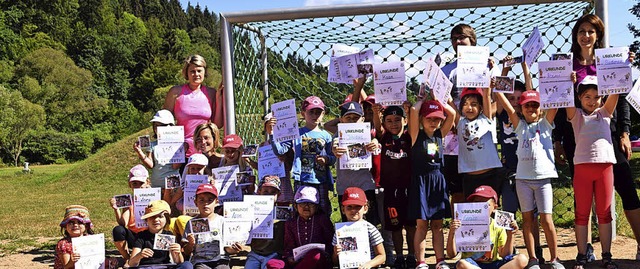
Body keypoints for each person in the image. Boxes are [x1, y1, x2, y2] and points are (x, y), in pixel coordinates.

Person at [553, 14, 640, 262]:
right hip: (577, 136)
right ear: (576, 35)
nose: (586, 35)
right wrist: (558, 138)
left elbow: (618, 97)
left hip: (607, 133)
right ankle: (586, 249)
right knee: (583, 197)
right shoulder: (568, 64)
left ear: (598, 35)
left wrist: (624, 131)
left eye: (591, 31)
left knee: (626, 189)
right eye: (582, 30)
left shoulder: (607, 60)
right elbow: (562, 103)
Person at [494, 63, 565, 269]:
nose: (531, 108)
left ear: (540, 108)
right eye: (527, 105)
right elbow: (505, 104)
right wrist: (497, 84)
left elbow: (557, 100)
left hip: (542, 179)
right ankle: (530, 257)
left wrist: (565, 80)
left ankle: (554, 258)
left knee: (546, 219)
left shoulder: (545, 124)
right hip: (520, 178)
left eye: (535, 105)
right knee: (523, 218)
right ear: (521, 109)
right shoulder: (517, 125)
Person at [566, 76, 620, 269]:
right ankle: (581, 255)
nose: (592, 100)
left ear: (602, 99)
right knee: (582, 214)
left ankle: (607, 255)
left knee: (604, 214)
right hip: (582, 168)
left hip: (605, 168)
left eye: (597, 96)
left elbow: (616, 90)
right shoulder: (576, 115)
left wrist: (622, 67)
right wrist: (569, 82)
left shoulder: (605, 113)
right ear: (579, 97)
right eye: (587, 96)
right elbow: (566, 98)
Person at [408, 96, 456, 269]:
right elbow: (413, 111)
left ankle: (439, 260)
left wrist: (440, 99)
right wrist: (421, 100)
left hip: (438, 182)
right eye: (429, 118)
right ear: (422, 119)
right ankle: (421, 262)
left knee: (437, 224)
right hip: (422, 182)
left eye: (437, 118)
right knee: (421, 224)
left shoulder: (439, 135)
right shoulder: (415, 135)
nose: (434, 121)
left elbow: (451, 114)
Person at [270, 96, 336, 215]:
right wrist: (272, 133)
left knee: (323, 210)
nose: (315, 115)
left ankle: (324, 232)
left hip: (320, 180)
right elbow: (280, 151)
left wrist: (326, 159)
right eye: (311, 112)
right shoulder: (296, 133)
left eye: (318, 112)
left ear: (323, 114)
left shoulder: (326, 136)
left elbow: (333, 158)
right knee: (301, 210)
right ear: (303, 113)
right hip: (302, 179)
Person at [372, 103, 417, 268]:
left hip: (409, 188)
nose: (393, 124)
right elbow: (377, 128)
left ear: (404, 121)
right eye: (389, 120)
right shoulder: (384, 139)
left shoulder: (409, 137)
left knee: (411, 225)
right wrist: (376, 113)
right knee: (395, 225)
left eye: (397, 120)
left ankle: (411, 255)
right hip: (391, 190)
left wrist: (409, 111)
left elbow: (413, 125)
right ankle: (399, 256)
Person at [447, 186, 528, 269]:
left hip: (495, 264)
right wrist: (452, 232)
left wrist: (511, 235)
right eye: (477, 203)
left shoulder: (498, 225)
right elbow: (451, 254)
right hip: (473, 264)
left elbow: (505, 255)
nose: (481, 208)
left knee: (522, 259)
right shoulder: (463, 224)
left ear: (495, 208)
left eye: (485, 205)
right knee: (461, 264)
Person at [164, 55, 224, 158]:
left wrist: (218, 98)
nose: (196, 74)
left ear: (204, 72)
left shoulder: (211, 93)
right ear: (186, 73)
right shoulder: (175, 92)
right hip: (180, 152)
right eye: (192, 71)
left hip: (204, 151)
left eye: (199, 71)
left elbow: (217, 125)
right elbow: (163, 122)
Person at [331, 101, 381, 225]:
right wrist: (335, 150)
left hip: (366, 186)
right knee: (348, 224)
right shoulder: (338, 135)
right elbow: (334, 145)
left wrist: (375, 143)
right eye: (348, 118)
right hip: (345, 188)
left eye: (356, 118)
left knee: (370, 223)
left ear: (362, 119)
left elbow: (377, 143)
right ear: (341, 120)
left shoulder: (368, 135)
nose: (352, 120)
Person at [454, 86, 502, 198]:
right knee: (471, 209)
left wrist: (488, 86)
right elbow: (448, 103)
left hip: (490, 175)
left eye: (474, 104)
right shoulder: (460, 122)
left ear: (481, 107)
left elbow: (486, 95)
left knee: (490, 207)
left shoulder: (486, 119)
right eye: (465, 104)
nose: (469, 107)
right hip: (469, 176)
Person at [183, 184, 242, 269]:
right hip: (200, 261)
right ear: (195, 202)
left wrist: (234, 249)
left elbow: (227, 249)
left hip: (221, 260)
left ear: (217, 202)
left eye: (210, 200)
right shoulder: (191, 223)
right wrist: (190, 243)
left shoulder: (223, 221)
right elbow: (186, 251)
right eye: (201, 200)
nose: (206, 203)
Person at [128, 200, 193, 268]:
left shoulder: (169, 235)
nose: (156, 220)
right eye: (152, 217)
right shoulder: (141, 236)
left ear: (166, 219)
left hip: (165, 266)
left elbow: (179, 262)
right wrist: (140, 255)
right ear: (146, 220)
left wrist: (178, 252)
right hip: (146, 267)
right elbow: (131, 263)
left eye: (160, 216)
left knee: (187, 265)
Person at [332, 187, 385, 269]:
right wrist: (336, 253)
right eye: (349, 207)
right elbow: (335, 261)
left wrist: (369, 264)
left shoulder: (370, 229)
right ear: (343, 209)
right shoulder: (339, 231)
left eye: (357, 207)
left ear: (365, 208)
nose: (353, 210)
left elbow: (382, 256)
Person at [283, 186, 334, 269]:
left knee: (316, 255)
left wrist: (326, 252)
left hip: (318, 261)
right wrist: (290, 257)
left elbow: (330, 242)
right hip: (298, 261)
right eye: (302, 203)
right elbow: (289, 245)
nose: (306, 207)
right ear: (296, 206)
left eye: (310, 204)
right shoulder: (291, 223)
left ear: (316, 207)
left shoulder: (322, 220)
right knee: (273, 263)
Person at [110, 165, 152, 264]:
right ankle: (128, 258)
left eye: (141, 183)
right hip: (135, 236)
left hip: (150, 236)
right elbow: (122, 223)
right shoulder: (129, 201)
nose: (138, 186)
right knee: (118, 230)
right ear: (130, 185)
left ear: (147, 182)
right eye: (134, 183)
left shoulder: (155, 197)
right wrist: (116, 209)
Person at [245, 176, 287, 269]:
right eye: (265, 192)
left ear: (279, 195)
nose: (269, 195)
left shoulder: (283, 213)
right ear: (259, 192)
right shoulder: (250, 210)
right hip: (255, 253)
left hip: (273, 254)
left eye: (273, 193)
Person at [134, 109, 182, 189]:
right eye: (155, 125)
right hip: (156, 186)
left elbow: (175, 166)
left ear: (170, 126)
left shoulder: (177, 146)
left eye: (161, 125)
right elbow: (150, 165)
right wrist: (139, 152)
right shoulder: (153, 145)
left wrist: (180, 150)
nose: (157, 128)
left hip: (173, 187)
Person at [262, 113, 296, 205]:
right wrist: (249, 161)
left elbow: (290, 166)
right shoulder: (263, 146)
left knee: (283, 208)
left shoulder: (285, 146)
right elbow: (261, 168)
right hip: (267, 186)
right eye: (270, 125)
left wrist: (285, 159)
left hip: (283, 184)